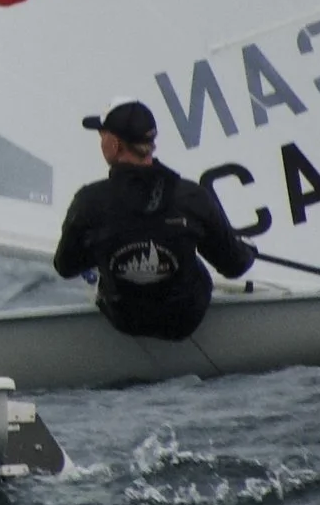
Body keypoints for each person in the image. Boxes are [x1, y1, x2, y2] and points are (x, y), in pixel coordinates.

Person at [53, 99, 256, 341]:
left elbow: (65, 267)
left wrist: (102, 249)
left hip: (125, 320)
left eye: (102, 135)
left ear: (115, 144)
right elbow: (234, 267)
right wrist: (249, 250)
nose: (100, 141)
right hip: (185, 319)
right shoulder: (192, 197)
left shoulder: (88, 202)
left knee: (101, 258)